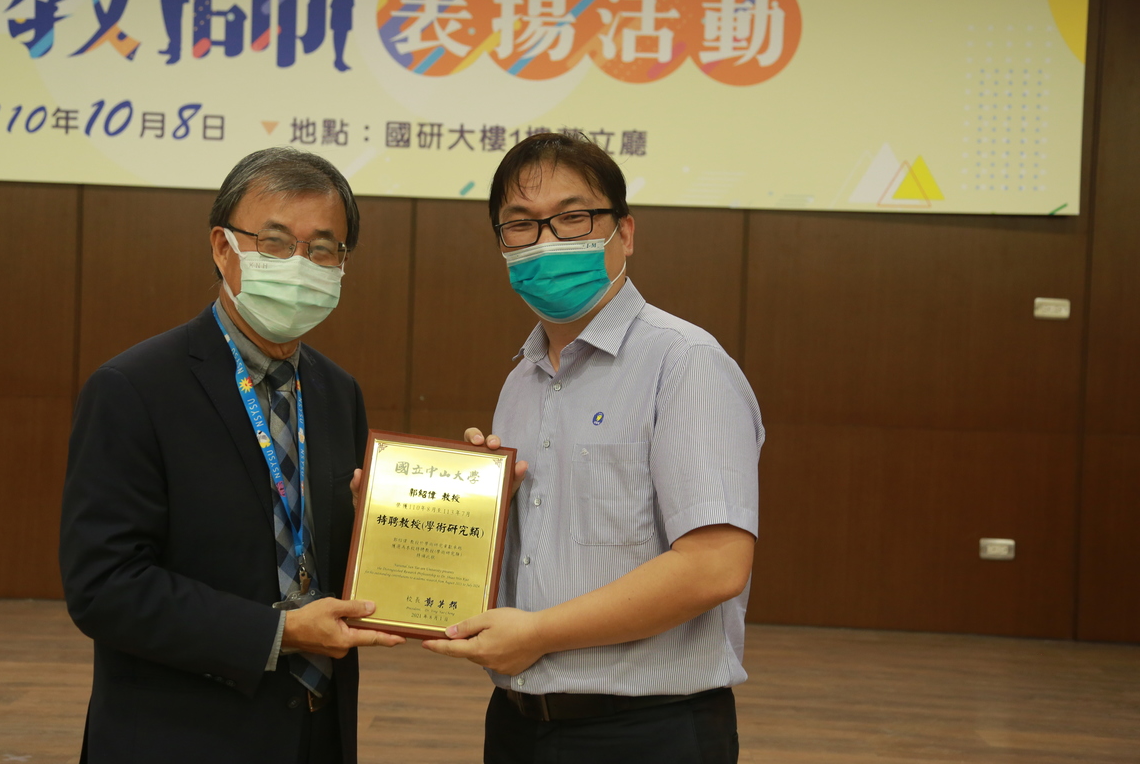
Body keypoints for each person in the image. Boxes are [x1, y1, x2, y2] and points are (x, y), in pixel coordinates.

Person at [422, 133, 764, 763]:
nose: (547, 240)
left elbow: (716, 565)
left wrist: (538, 635)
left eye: (574, 217)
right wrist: (456, 506)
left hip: (645, 732)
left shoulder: (683, 363)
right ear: (502, 245)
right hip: (519, 723)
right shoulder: (521, 380)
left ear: (624, 233)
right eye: (521, 224)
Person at [60, 147, 405, 764]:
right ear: (224, 248)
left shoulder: (337, 392)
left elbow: (323, 551)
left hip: (315, 731)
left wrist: (444, 509)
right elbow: (104, 587)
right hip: (183, 735)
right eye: (274, 242)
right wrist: (281, 632)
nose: (300, 264)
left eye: (323, 249)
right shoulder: (134, 388)